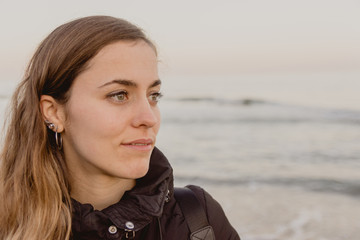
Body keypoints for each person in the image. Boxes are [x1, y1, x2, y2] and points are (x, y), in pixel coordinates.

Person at [0, 16, 240, 240]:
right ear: (53, 112)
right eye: (119, 95)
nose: (149, 118)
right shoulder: (7, 221)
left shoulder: (197, 219)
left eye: (153, 95)